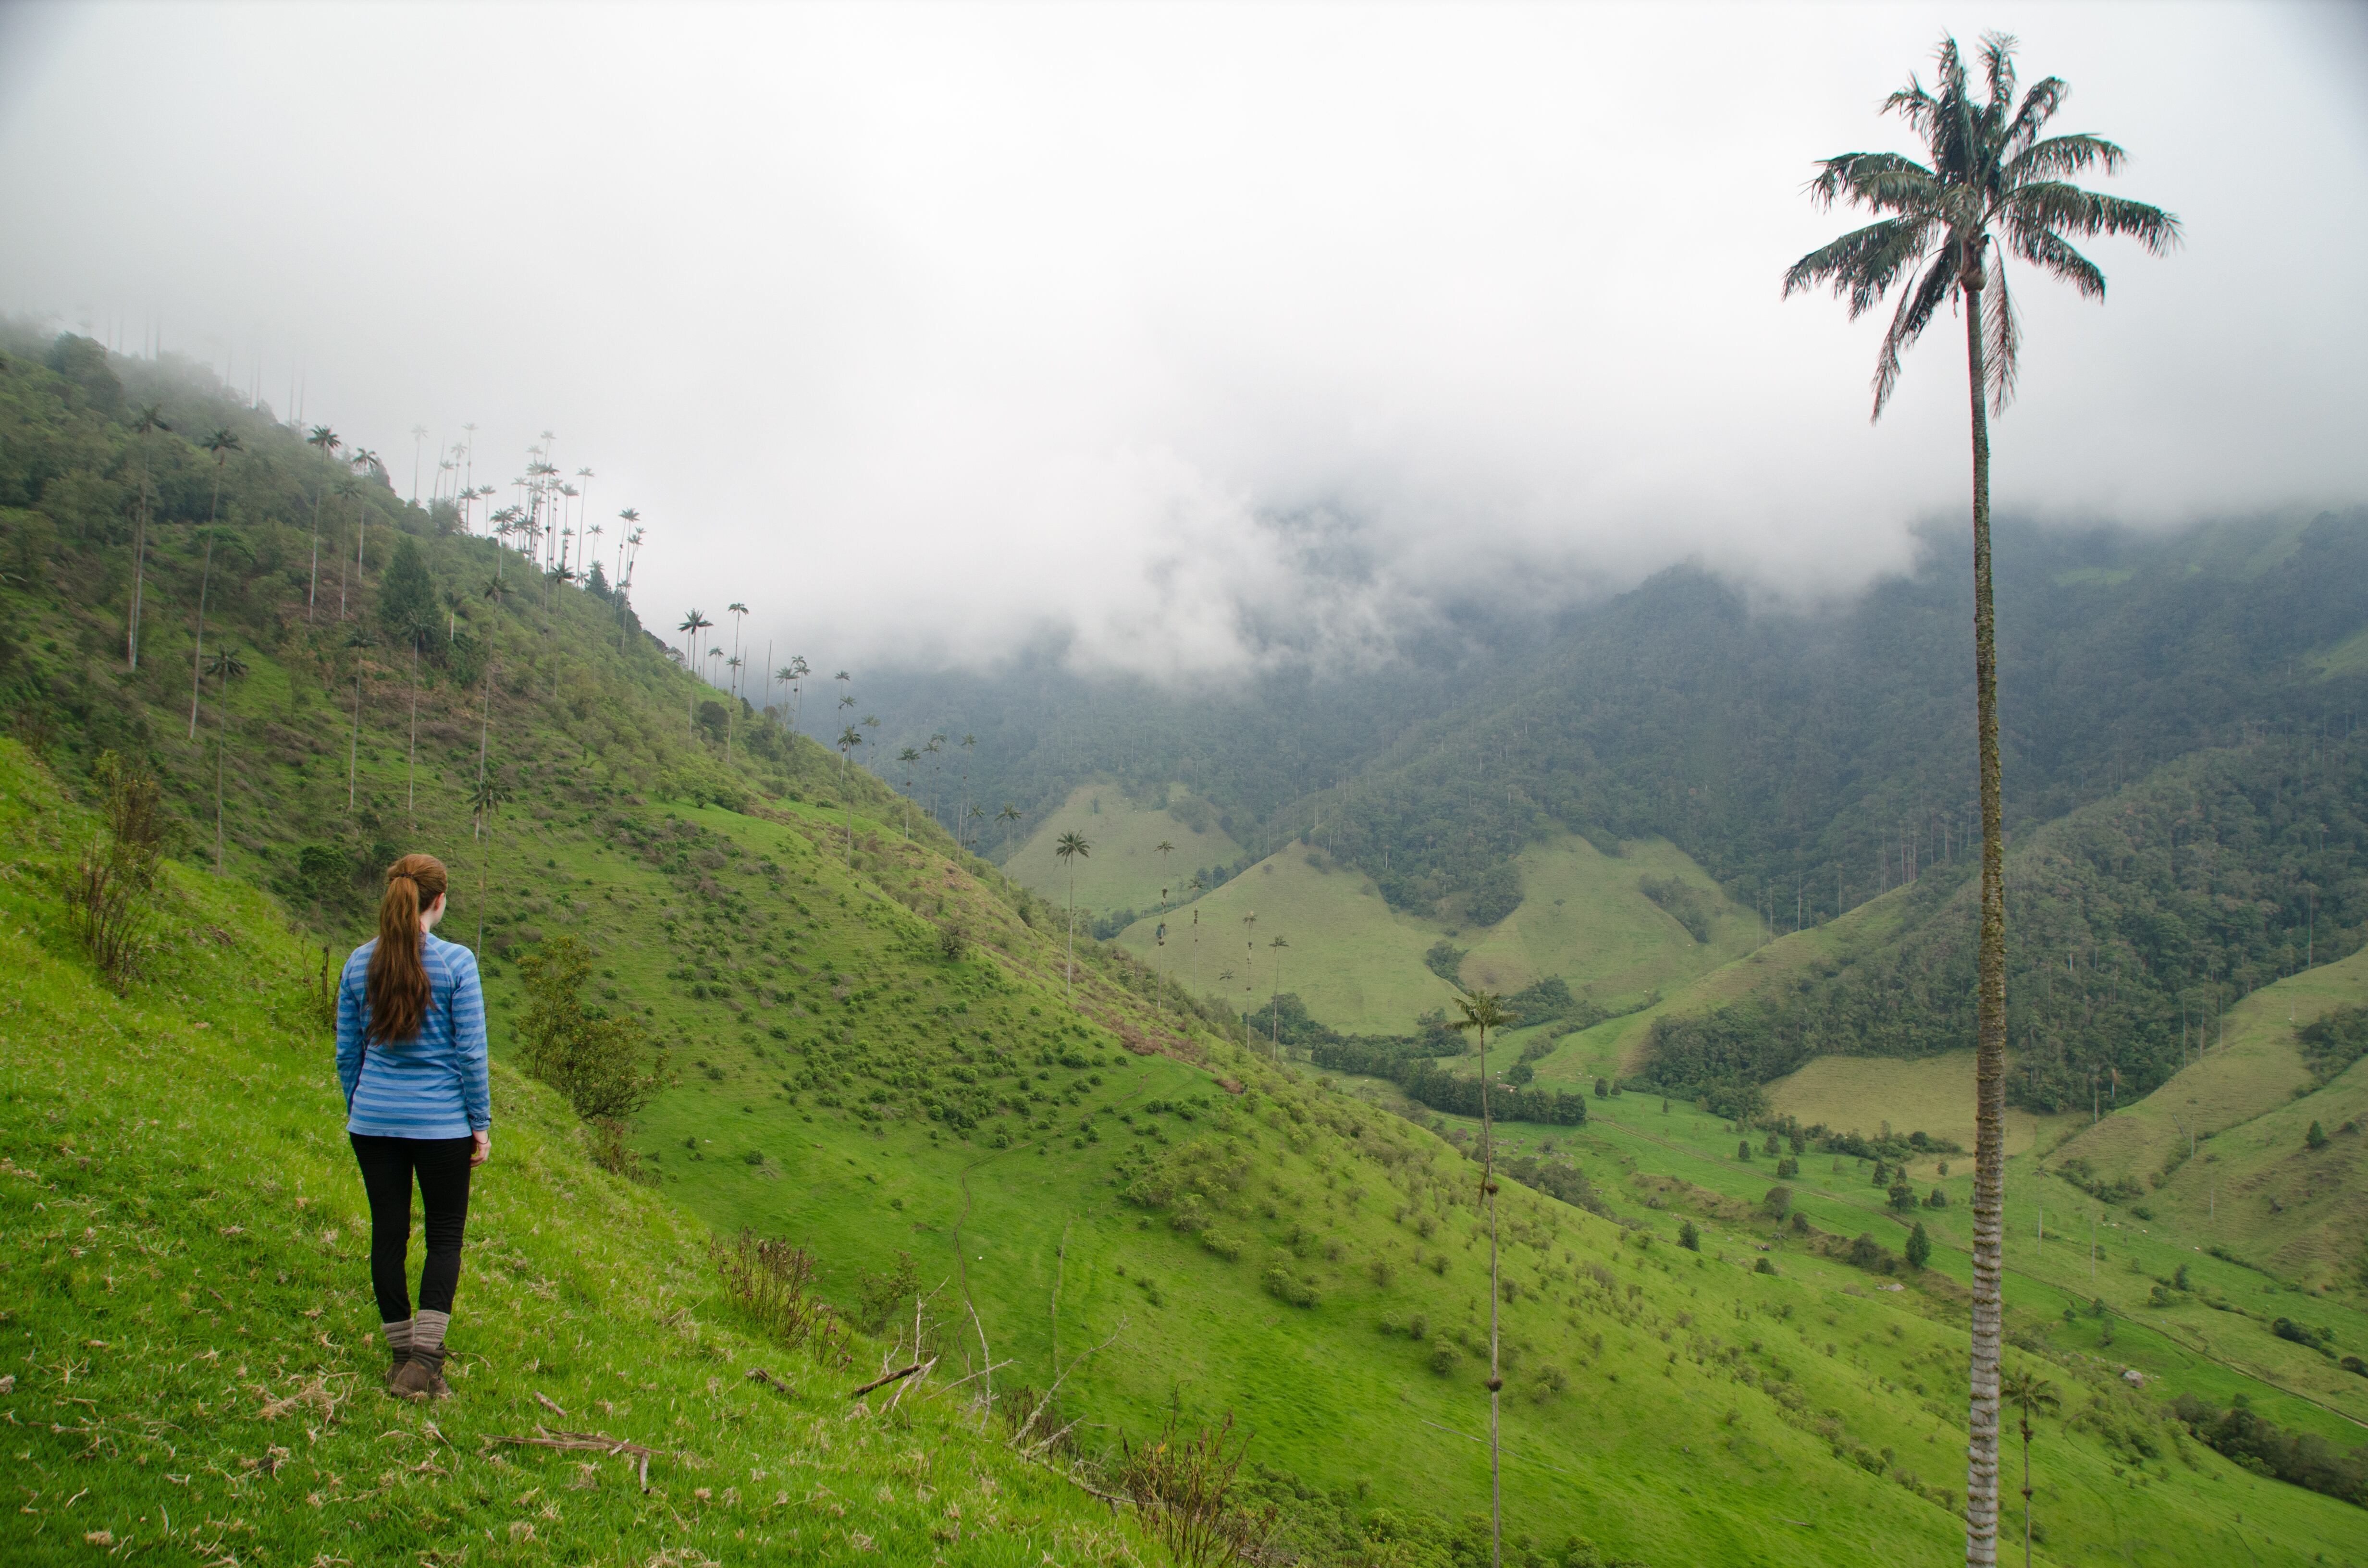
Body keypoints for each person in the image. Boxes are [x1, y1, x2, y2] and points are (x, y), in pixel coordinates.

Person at [335, 854, 490, 1399]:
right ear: (439, 901)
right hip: (442, 1125)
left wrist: (361, 1105)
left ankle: (402, 1357)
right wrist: (480, 1123)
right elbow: (470, 1053)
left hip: (372, 1121)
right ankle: (424, 1365)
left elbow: (348, 1051)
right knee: (444, 1236)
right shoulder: (456, 964)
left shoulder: (359, 963)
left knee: (388, 1234)